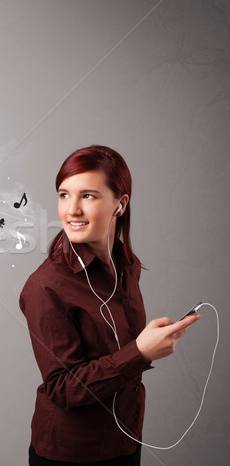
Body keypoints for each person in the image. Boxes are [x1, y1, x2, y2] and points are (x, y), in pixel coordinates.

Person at [18, 145, 200, 465]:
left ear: (120, 203)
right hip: (73, 454)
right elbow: (62, 388)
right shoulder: (45, 287)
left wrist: (147, 344)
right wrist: (140, 352)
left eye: (88, 195)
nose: (71, 209)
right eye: (64, 194)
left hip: (126, 439)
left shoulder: (126, 266)